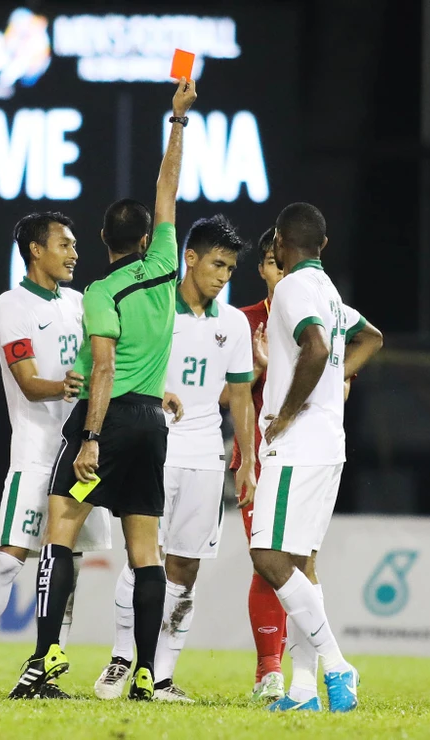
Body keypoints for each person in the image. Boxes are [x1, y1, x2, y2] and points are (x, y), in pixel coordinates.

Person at [8, 76, 197, 701]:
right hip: (151, 426)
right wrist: (177, 121)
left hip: (108, 422)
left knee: (59, 533)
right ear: (145, 238)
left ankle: (43, 660)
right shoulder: (166, 263)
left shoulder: (98, 293)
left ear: (101, 242)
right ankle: (145, 672)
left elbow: (106, 368)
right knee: (145, 553)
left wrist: (89, 436)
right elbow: (167, 188)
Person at [0, 212, 113, 699]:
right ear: (35, 249)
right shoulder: (11, 306)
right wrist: (67, 385)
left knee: (67, 565)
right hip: (35, 454)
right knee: (9, 560)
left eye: (75, 245)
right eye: (64, 244)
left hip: (77, 454)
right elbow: (28, 383)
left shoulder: (79, 303)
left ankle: (44, 671)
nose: (74, 254)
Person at [100, 215, 257, 702]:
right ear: (189, 258)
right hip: (155, 448)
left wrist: (247, 460)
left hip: (206, 456)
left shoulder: (233, 324)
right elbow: (117, 366)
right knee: (143, 559)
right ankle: (122, 658)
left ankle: (161, 676)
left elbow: (241, 396)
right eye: (217, 264)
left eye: (230, 269)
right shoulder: (154, 308)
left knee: (186, 568)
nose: (223, 276)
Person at [249, 202, 382, 713]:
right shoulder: (329, 291)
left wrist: (285, 413)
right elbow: (371, 337)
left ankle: (337, 663)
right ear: (322, 245)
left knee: (269, 558)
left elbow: (316, 346)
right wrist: (333, 381)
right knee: (301, 564)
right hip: (329, 443)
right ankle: (303, 692)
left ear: (280, 243)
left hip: (298, 444)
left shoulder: (291, 288)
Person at [228, 227, 289, 701]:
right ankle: (269, 669)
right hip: (260, 458)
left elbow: (342, 389)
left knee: (299, 563)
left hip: (308, 456)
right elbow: (223, 394)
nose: (279, 271)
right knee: (269, 561)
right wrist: (259, 368)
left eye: (284, 263)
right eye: (271, 262)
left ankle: (304, 669)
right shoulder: (243, 323)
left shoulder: (318, 322)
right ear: (262, 269)